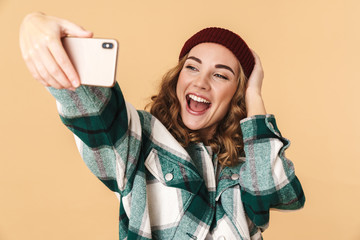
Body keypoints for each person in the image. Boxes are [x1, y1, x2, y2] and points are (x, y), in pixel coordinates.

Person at [20, 12, 305, 240]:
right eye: (192, 67)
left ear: (236, 95)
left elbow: (274, 194)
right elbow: (94, 111)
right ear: (177, 76)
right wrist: (37, 25)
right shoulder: (141, 140)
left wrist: (254, 94)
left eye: (220, 75)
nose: (201, 82)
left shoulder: (246, 165)